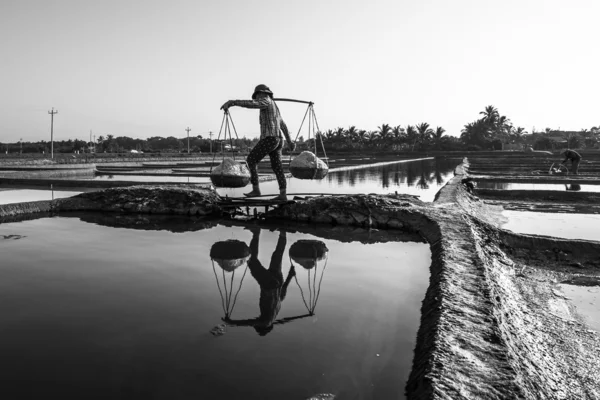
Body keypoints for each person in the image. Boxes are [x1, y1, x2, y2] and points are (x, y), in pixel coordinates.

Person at [220, 84, 295, 201]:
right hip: (279, 140)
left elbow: (253, 104)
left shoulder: (266, 101)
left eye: (258, 95)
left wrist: (233, 102)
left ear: (263, 94)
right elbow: (283, 125)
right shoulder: (274, 106)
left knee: (251, 160)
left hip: (270, 138)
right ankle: (283, 194)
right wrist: (290, 141)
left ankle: (256, 190)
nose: (257, 97)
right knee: (277, 167)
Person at [222, 227, 296, 336]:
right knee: (251, 261)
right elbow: (249, 322)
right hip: (268, 285)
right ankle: (256, 233)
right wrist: (233, 323)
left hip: (278, 282)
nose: (257, 322)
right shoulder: (266, 322)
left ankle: (283, 233)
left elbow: (282, 295)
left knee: (277, 255)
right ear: (263, 327)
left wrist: (290, 275)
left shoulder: (276, 309)